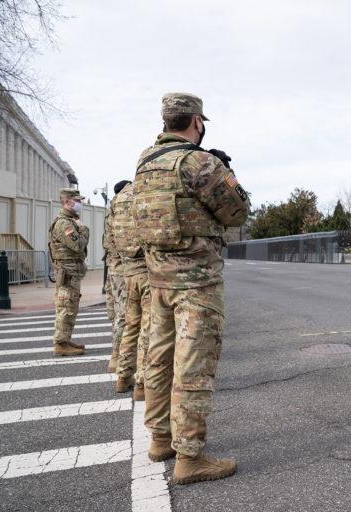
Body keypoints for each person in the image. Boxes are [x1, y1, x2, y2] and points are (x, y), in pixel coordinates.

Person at [133, 92, 249, 485]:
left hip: (157, 280)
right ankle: (190, 458)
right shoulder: (199, 162)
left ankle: (160, 439)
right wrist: (227, 174)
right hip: (196, 283)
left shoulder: (145, 162)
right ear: (196, 121)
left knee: (159, 358)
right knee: (193, 367)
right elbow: (236, 211)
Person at [111, 181, 151, 400]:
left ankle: (123, 375)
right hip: (147, 270)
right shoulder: (143, 193)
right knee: (148, 327)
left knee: (131, 325)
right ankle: (142, 383)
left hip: (128, 270)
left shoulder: (118, 200)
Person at [49, 189, 90, 356]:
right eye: (77, 200)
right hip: (67, 273)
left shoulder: (70, 221)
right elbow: (78, 245)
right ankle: (60, 344)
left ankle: (65, 340)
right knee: (66, 308)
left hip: (70, 272)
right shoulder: (64, 223)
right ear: (67, 202)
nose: (80, 203)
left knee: (69, 307)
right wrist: (84, 230)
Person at [103, 180, 132, 372]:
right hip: (124, 267)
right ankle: (118, 358)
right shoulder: (124, 207)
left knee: (117, 312)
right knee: (125, 314)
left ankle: (116, 357)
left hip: (113, 266)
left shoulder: (112, 209)